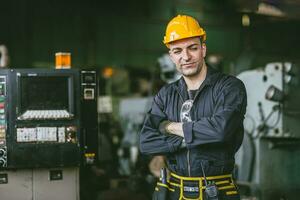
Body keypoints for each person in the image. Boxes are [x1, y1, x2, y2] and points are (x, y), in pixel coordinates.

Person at [139, 14, 247, 200]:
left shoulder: (229, 87)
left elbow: (220, 131)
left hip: (217, 191)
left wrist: (169, 127)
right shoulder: (166, 94)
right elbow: (146, 142)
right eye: (178, 50)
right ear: (171, 56)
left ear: (203, 49)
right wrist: (194, 139)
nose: (186, 56)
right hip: (174, 192)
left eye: (193, 48)